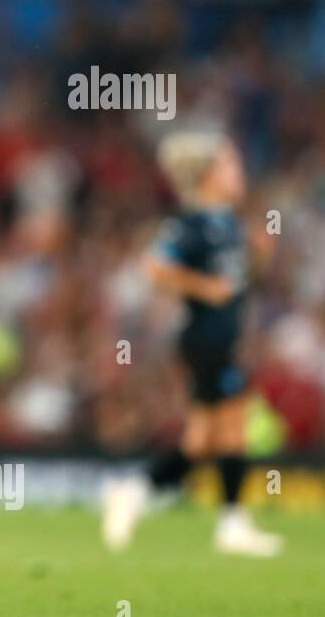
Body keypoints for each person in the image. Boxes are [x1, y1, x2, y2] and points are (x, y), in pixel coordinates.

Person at [102, 132, 282, 557]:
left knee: (201, 441)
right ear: (207, 175)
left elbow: (241, 282)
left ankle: (133, 492)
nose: (239, 173)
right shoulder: (192, 223)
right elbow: (155, 265)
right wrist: (203, 287)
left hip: (224, 336)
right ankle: (232, 523)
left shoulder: (230, 224)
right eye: (230, 165)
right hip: (205, 339)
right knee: (233, 427)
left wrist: (261, 255)